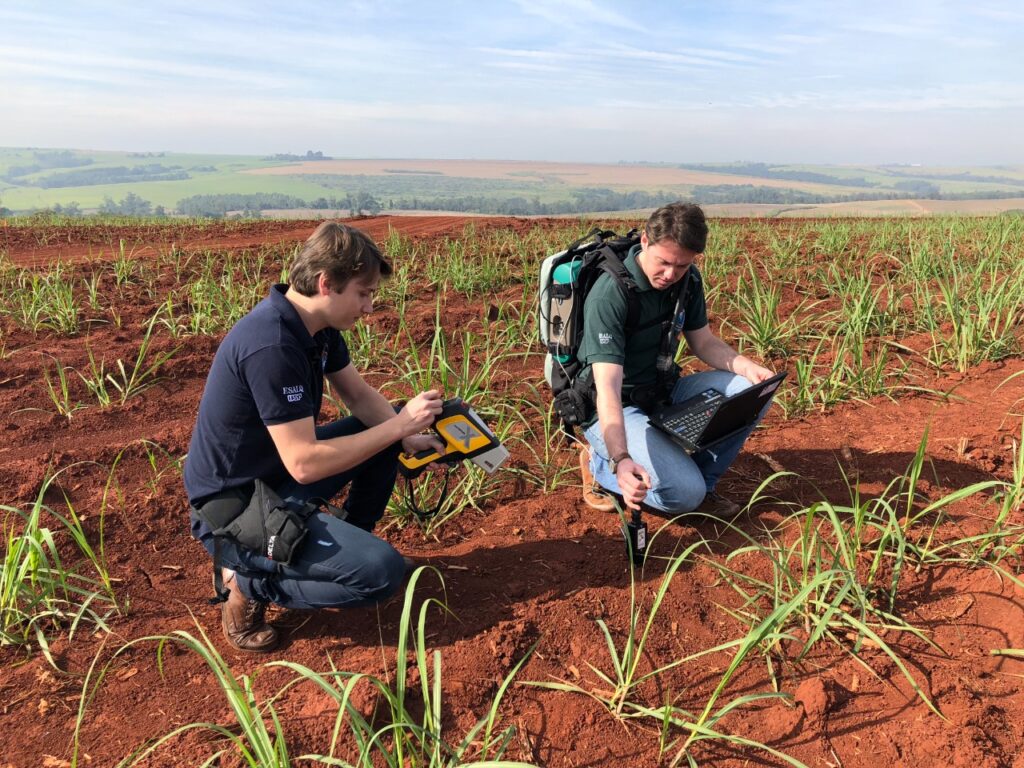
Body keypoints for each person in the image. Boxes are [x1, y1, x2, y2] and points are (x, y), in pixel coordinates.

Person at [184, 222, 445, 652]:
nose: (368, 307)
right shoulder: (272, 344)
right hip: (233, 505)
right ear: (327, 284)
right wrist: (399, 426)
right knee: (380, 573)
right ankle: (249, 581)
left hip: (272, 478)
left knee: (378, 431)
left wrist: (404, 437)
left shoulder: (316, 329)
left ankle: (342, 549)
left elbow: (359, 395)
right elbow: (304, 464)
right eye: (363, 293)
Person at [576, 202, 776, 517]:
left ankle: (702, 483)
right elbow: (607, 386)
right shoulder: (610, 295)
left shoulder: (688, 280)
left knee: (751, 391)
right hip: (613, 406)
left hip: (661, 393)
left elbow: (704, 342)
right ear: (645, 241)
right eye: (664, 262)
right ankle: (600, 465)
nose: (671, 274)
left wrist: (747, 366)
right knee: (683, 496)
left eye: (682, 265)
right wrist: (621, 457)